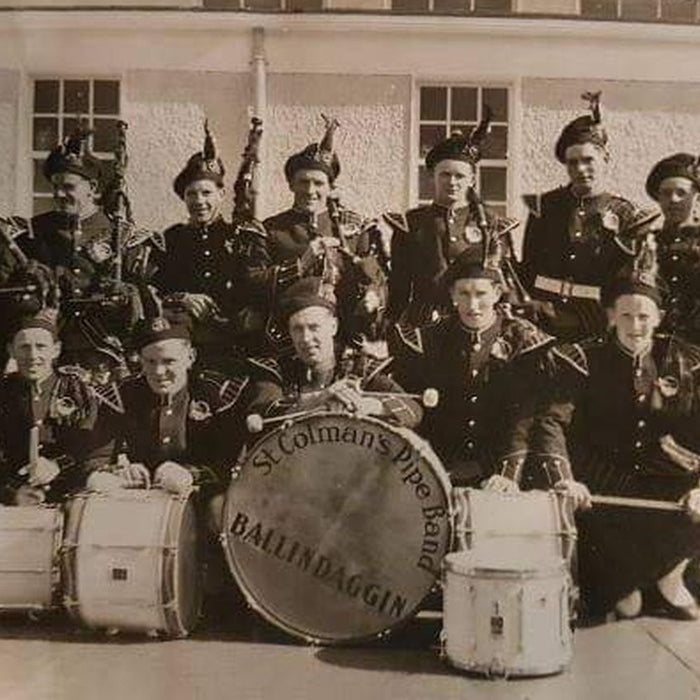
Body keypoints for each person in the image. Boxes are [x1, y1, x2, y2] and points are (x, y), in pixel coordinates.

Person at [535, 235, 700, 620]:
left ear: (658, 318)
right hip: (604, 486)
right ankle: (634, 585)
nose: (635, 325)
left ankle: (669, 578)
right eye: (625, 315)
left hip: (662, 482)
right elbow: (552, 422)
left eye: (644, 316)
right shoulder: (584, 358)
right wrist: (565, 478)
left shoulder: (684, 361)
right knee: (626, 607)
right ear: (611, 316)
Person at [392, 242, 556, 488]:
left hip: (498, 472)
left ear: (497, 293)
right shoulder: (429, 340)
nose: (473, 305)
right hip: (437, 468)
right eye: (464, 294)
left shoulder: (523, 341)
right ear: (452, 295)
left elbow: (524, 418)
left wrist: (507, 474)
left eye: (481, 294)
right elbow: (410, 400)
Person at [0, 124, 154, 383]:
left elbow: (148, 303)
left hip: (106, 357)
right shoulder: (29, 235)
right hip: (47, 357)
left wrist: (127, 296)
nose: (59, 194)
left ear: (92, 187)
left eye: (69, 187)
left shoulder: (123, 236)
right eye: (55, 186)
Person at [520, 91, 658, 342]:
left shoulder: (627, 214)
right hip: (542, 317)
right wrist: (531, 304)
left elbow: (632, 279)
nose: (580, 169)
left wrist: (611, 317)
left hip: (595, 321)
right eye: (572, 162)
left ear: (605, 158)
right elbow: (529, 267)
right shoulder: (545, 206)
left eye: (588, 160)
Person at [240, 116, 386, 352]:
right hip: (288, 339)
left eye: (318, 183)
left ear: (330, 187)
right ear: (291, 184)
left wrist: (373, 295)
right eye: (303, 182)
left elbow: (377, 276)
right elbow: (252, 283)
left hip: (346, 338)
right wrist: (300, 265)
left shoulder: (357, 227)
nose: (310, 191)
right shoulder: (270, 230)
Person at [386, 108, 521, 329]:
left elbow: (506, 280)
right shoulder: (411, 223)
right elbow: (399, 285)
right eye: (445, 174)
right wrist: (393, 326)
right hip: (425, 323)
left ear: (472, 180)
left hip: (478, 321)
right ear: (432, 177)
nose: (452, 182)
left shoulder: (491, 223)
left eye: (460, 176)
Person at [151, 121, 264, 370]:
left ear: (221, 195)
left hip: (233, 344)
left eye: (206, 193)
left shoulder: (241, 235)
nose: (199, 201)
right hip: (183, 346)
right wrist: (183, 299)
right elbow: (154, 291)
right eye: (191, 194)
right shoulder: (171, 238)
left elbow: (257, 288)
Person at [246, 276, 421, 429]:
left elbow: (412, 409)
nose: (306, 338)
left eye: (314, 327)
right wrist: (320, 398)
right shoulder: (277, 371)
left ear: (333, 327)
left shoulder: (359, 367)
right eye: (297, 329)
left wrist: (369, 405)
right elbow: (264, 413)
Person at [0, 310, 100, 505]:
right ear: (11, 350)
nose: (33, 355)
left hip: (70, 494)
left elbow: (90, 446)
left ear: (56, 350)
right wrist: (10, 492)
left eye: (41, 347)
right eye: (24, 347)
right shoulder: (4, 392)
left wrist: (56, 465)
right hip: (13, 498)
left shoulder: (78, 391)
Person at [645, 153, 700, 342]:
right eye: (666, 193)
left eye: (681, 193)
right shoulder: (646, 244)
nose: (673, 199)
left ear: (696, 197)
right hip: (651, 347)